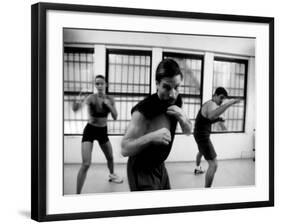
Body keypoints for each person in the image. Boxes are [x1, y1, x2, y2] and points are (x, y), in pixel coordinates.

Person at [121, 59, 192, 191]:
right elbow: (125, 149)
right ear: (157, 84)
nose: (172, 94)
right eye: (166, 87)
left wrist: (183, 118)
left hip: (160, 165)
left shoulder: (177, 100)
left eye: (176, 87)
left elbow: (188, 131)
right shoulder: (143, 110)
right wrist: (152, 137)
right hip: (142, 170)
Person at [73, 75, 123, 194]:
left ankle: (112, 174)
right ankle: (77, 194)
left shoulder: (110, 99)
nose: (99, 86)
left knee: (110, 157)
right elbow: (75, 109)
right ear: (95, 85)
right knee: (86, 164)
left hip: (102, 131)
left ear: (106, 84)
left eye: (101, 83)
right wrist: (79, 98)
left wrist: (109, 105)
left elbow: (115, 117)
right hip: (90, 130)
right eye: (97, 84)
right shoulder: (91, 98)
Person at [193, 87, 240, 187]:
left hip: (198, 134)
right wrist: (230, 103)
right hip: (202, 136)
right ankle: (207, 191)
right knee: (214, 165)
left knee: (201, 152)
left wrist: (218, 119)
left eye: (224, 99)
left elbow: (208, 119)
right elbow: (211, 116)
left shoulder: (209, 104)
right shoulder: (211, 104)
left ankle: (197, 168)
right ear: (214, 95)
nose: (222, 101)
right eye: (221, 97)